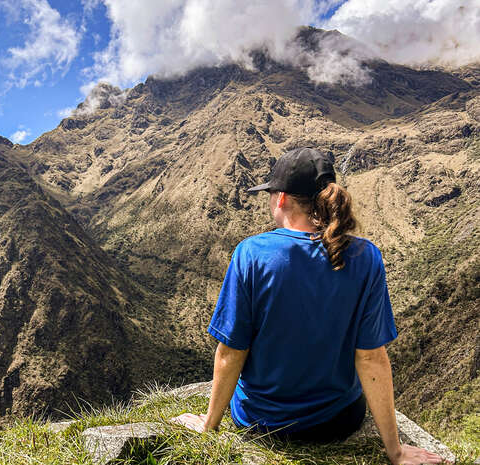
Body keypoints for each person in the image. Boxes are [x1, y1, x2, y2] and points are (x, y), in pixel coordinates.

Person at [171, 148, 448, 465]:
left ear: (281, 199)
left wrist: (208, 425)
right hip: (337, 421)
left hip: (262, 423)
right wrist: (395, 452)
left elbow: (231, 352)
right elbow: (371, 357)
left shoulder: (251, 254)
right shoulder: (365, 256)